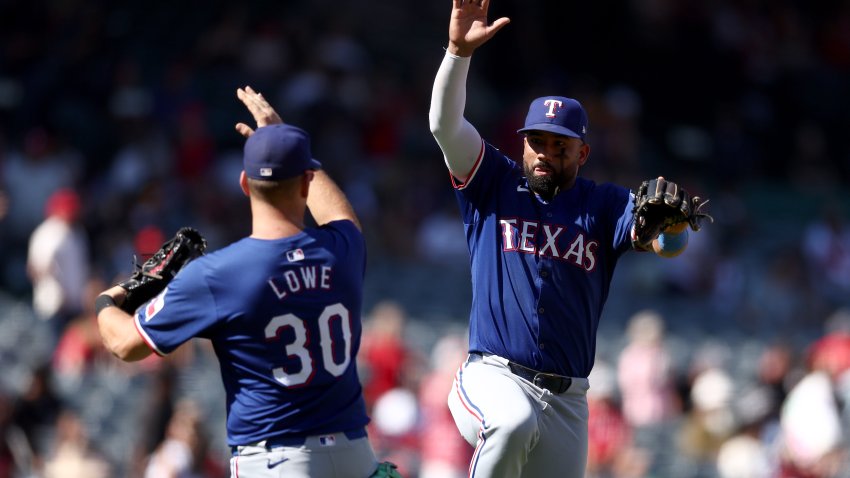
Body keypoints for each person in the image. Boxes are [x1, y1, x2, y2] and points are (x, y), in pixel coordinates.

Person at [428, 1, 707, 476]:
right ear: (523, 142)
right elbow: (443, 125)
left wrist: (675, 227)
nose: (545, 153)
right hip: (494, 375)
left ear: (584, 153)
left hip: (569, 398)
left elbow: (666, 246)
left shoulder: (603, 204)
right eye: (537, 141)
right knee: (511, 423)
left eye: (560, 146)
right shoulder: (493, 182)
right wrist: (457, 53)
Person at [96, 86, 398, 478]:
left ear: (243, 184)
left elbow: (124, 344)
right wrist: (286, 141)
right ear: (306, 182)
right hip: (354, 453)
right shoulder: (342, 250)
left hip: (278, 460)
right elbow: (340, 214)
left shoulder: (218, 274)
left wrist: (108, 300)